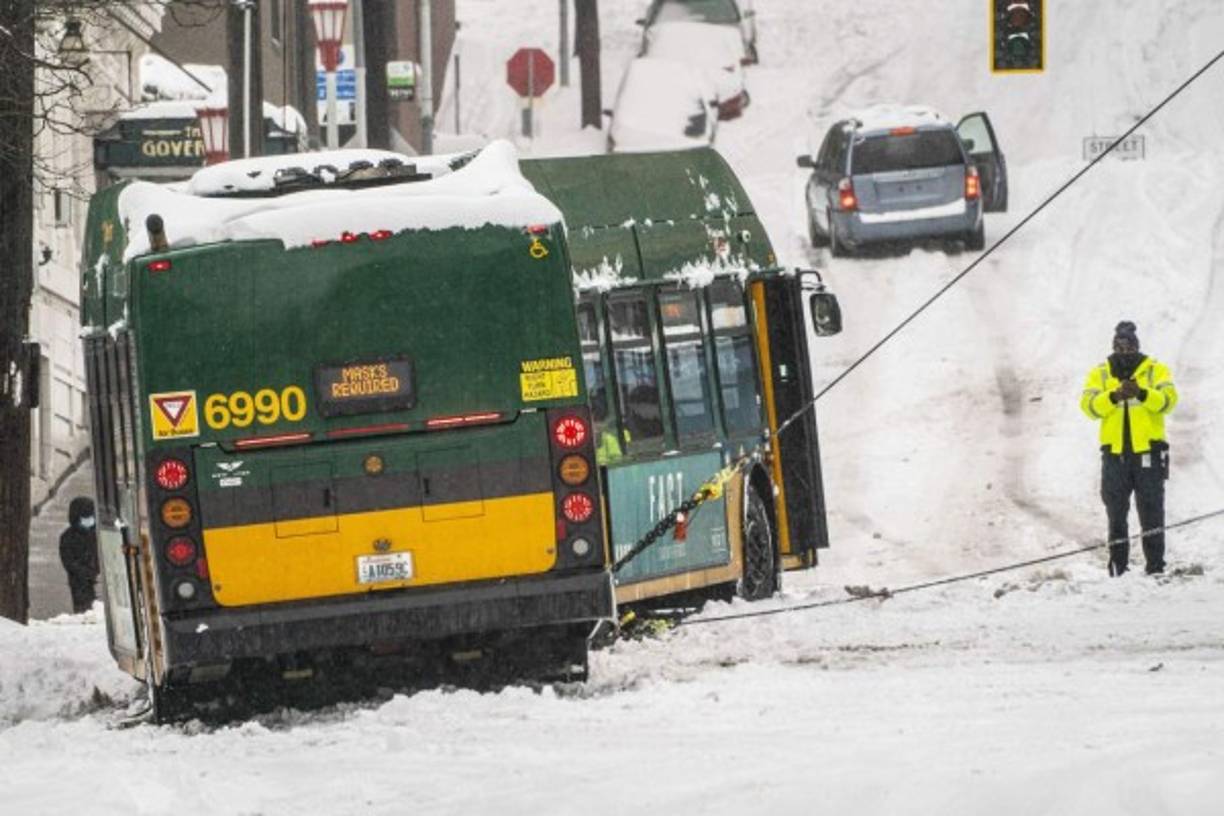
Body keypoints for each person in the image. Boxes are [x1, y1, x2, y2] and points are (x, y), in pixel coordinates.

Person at [1080, 321, 1178, 575]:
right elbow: (1088, 407)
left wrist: (1142, 393)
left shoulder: (1155, 370)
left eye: (1129, 346)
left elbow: (1169, 402)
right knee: (1115, 513)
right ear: (1113, 346)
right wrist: (1113, 397)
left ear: (1137, 345)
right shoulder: (1101, 372)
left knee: (1152, 511)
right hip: (1115, 455)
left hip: (1148, 453)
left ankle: (1155, 567)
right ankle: (1118, 568)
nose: (1124, 351)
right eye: (1120, 346)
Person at [59, 496, 100, 613]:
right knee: (84, 607)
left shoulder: (97, 534)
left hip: (96, 576)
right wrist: (83, 572)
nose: (89, 520)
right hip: (79, 581)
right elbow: (68, 560)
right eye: (85, 517)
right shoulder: (68, 537)